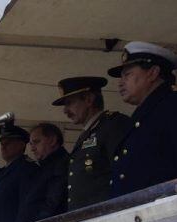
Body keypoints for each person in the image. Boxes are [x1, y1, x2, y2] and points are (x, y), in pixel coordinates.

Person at [108, 42, 177, 197]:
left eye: (127, 74)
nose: (120, 83)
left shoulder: (174, 106)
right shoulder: (144, 114)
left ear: (153, 73)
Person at [52, 76, 132, 210]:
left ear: (89, 99)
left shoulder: (113, 125)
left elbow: (123, 174)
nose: (65, 111)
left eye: (69, 103)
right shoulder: (86, 133)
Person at [16, 123, 69, 222]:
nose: (32, 148)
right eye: (31, 144)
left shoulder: (61, 165)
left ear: (53, 140)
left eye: (36, 142)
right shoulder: (42, 168)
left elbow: (52, 204)